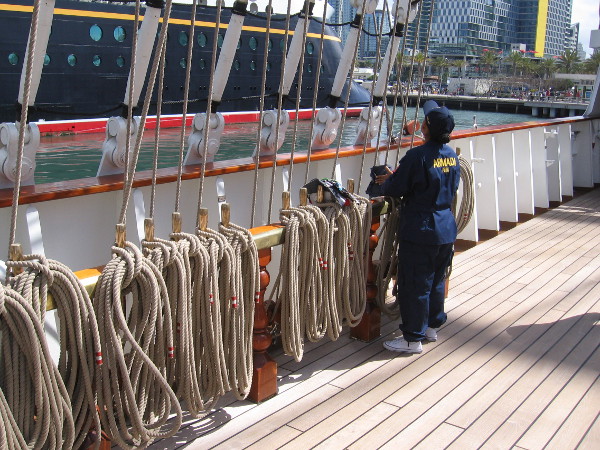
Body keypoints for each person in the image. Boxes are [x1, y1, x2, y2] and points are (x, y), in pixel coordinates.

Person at [376, 100, 460, 354]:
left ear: (426, 128)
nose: (420, 123)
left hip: (421, 229)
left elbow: (395, 189)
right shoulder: (452, 156)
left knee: (415, 282)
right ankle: (432, 327)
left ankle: (412, 338)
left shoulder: (417, 156)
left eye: (423, 121)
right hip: (445, 227)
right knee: (436, 279)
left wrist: (389, 180)